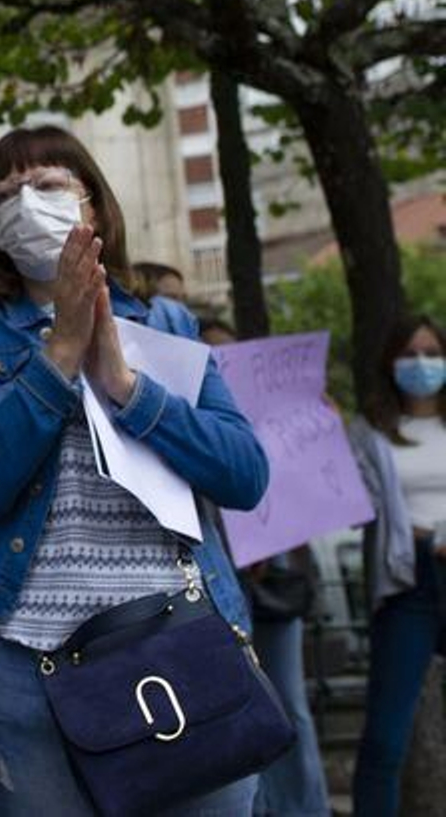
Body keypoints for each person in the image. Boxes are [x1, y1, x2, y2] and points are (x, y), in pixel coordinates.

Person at [0, 125, 269, 815]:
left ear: (95, 206)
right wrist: (59, 357)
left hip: (180, 639)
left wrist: (125, 387)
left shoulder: (167, 321)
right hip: (25, 665)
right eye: (6, 195)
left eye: (48, 185)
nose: (26, 203)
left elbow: (244, 475)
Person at [197, 320, 331, 817]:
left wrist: (321, 431)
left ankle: (303, 808)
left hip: (274, 579)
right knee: (235, 704)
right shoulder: (191, 418)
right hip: (212, 582)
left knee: (287, 701)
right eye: (213, 358)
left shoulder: (278, 415)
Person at [349, 313, 446, 817]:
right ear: (390, 363)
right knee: (386, 739)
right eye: (410, 354)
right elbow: (351, 501)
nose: (422, 364)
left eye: (432, 352)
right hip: (409, 584)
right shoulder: (369, 431)